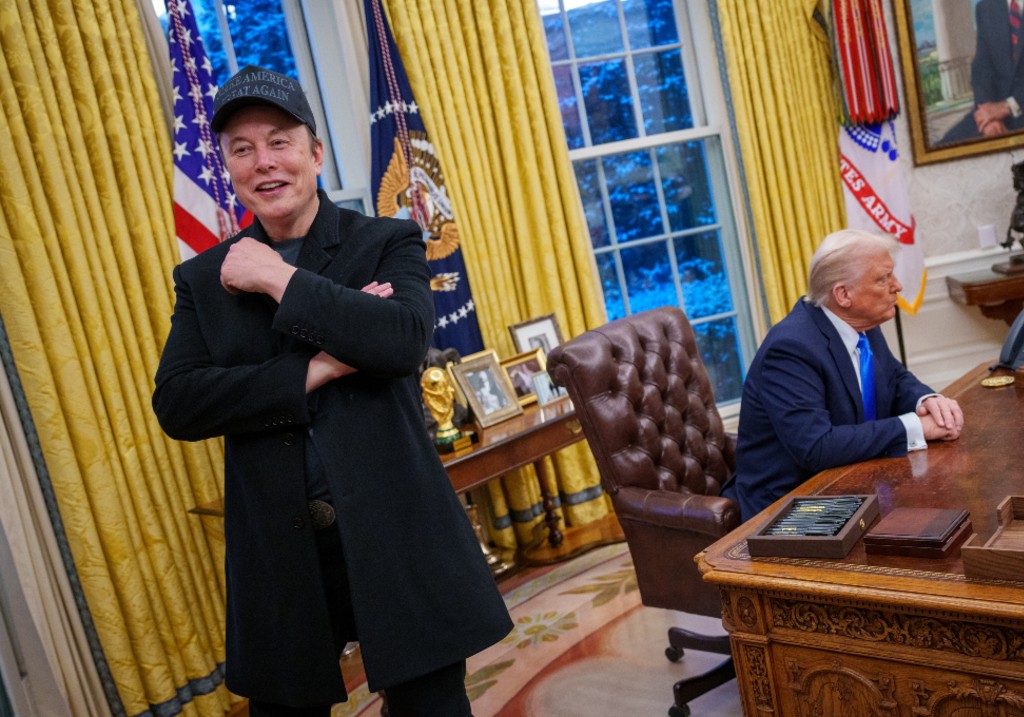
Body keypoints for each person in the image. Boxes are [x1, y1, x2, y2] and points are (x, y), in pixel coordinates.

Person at [152, 65, 512, 716]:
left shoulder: (387, 240)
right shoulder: (203, 278)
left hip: (397, 536)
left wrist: (274, 278)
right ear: (229, 166)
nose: (263, 162)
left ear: (315, 153)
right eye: (242, 148)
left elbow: (400, 341)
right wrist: (317, 366)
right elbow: (180, 402)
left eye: (280, 141)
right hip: (283, 553)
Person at [721, 229, 964, 521]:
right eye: (883, 278)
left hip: (856, 482)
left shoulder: (862, 324)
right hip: (791, 507)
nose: (897, 286)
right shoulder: (791, 348)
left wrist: (927, 400)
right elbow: (817, 447)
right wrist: (916, 428)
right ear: (843, 294)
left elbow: (894, 378)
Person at [941, 0, 1024, 142]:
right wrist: (989, 118)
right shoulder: (986, 8)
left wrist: (1008, 106)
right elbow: (981, 70)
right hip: (993, 112)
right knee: (942, 149)